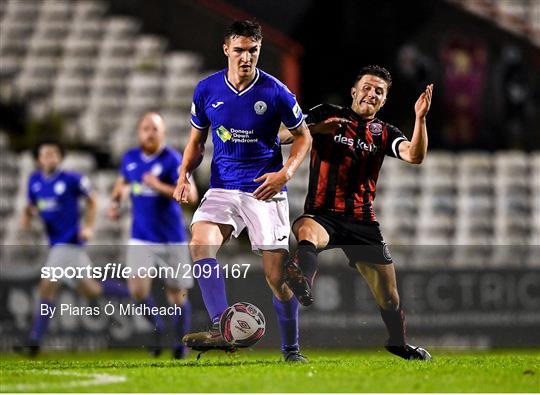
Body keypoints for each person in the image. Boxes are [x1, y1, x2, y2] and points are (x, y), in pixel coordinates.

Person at [173, 20, 312, 362]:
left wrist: (285, 173)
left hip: (264, 188)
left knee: (276, 278)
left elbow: (304, 137)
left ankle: (291, 349)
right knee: (200, 243)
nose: (246, 57)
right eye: (239, 50)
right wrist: (183, 175)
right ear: (226, 50)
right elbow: (196, 142)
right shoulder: (206, 90)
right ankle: (223, 326)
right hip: (223, 187)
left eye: (253, 51)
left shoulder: (276, 91)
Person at [282, 65, 433, 360]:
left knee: (389, 297)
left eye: (379, 91)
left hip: (362, 223)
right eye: (367, 87)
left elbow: (414, 155)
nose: (371, 94)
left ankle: (398, 343)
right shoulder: (326, 113)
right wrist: (314, 130)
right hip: (322, 213)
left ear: (384, 101)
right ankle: (302, 279)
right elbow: (285, 136)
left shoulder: (384, 132)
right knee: (307, 231)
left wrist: (420, 118)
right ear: (354, 91)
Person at [18, 140, 130, 356]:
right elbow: (31, 206)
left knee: (46, 286)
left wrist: (88, 227)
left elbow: (93, 199)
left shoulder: (71, 179)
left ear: (60, 158)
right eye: (45, 154)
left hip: (68, 242)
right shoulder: (35, 182)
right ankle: (133, 294)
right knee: (91, 289)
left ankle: (34, 341)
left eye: (53, 154)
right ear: (38, 160)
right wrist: (25, 222)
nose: (49, 157)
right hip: (58, 246)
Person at [109, 112, 197, 359]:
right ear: (139, 132)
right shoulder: (130, 158)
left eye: (154, 128)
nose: (149, 132)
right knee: (137, 290)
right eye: (145, 128)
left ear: (163, 133)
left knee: (176, 294)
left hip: (171, 237)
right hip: (141, 237)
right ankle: (158, 328)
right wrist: (115, 201)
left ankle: (181, 346)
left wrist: (158, 186)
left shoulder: (173, 160)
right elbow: (123, 183)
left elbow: (191, 196)